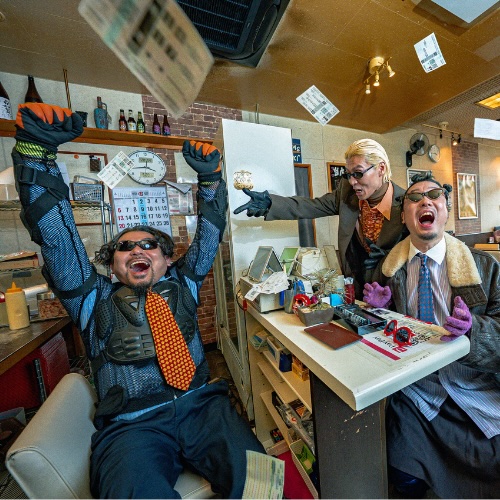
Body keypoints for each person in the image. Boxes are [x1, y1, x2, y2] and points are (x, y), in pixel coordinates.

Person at [12, 103, 270, 498]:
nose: (137, 250)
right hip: (132, 427)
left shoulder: (185, 282)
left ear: (166, 259)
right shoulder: (91, 298)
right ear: (112, 263)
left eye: (150, 245)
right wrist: (36, 155)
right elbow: (57, 237)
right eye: (125, 247)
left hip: (202, 406)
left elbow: (211, 232)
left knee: (261, 483)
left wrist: (211, 181)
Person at [363, 171, 500, 498]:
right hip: (417, 389)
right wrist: (380, 311)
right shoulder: (388, 270)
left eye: (434, 195)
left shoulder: (486, 269)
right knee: (403, 473)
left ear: (446, 210)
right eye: (414, 197)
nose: (425, 201)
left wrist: (473, 330)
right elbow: (381, 334)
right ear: (404, 217)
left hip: (473, 383)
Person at [234, 139, 408, 299]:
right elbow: (311, 206)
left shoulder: (407, 204)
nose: (352, 182)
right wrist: (271, 204)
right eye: (348, 174)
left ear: (381, 169)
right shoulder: (347, 193)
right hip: (358, 286)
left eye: (358, 173)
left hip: (393, 291)